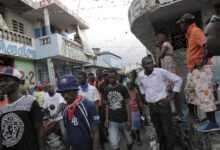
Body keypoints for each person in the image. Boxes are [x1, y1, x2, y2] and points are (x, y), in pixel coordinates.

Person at [177, 13, 220, 132]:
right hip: (193, 70)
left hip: (201, 69)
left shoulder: (195, 31)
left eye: (181, 23)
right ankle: (192, 114)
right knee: (188, 91)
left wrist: (204, 59)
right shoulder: (190, 33)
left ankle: (213, 123)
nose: (180, 26)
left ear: (186, 23)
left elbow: (207, 44)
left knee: (205, 95)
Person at [138, 56, 182, 150]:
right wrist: (144, 96)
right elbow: (140, 86)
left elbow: (178, 80)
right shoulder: (141, 75)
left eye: (151, 63)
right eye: (147, 64)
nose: (151, 65)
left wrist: (171, 96)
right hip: (151, 107)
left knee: (168, 131)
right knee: (158, 131)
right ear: (143, 66)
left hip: (163, 106)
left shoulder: (160, 72)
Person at [0, 67, 44, 150]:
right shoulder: (2, 109)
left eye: (6, 80)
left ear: (18, 82)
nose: (2, 84)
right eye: (1, 81)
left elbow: (39, 130)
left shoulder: (30, 102)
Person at [56, 75, 100, 150]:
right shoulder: (65, 109)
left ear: (76, 90)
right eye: (62, 93)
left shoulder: (89, 106)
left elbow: (96, 133)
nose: (65, 96)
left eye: (68, 91)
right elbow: (69, 133)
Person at [156, 32, 187, 121]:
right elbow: (158, 62)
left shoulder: (165, 44)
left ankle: (180, 112)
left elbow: (160, 56)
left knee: (175, 91)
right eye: (157, 37)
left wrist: (158, 48)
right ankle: (177, 111)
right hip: (166, 70)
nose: (158, 38)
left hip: (170, 69)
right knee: (170, 90)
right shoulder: (162, 46)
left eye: (159, 36)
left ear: (164, 36)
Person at [104, 69, 133, 150]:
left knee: (129, 140)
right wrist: (106, 118)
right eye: (110, 77)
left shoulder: (123, 88)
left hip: (124, 119)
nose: (112, 79)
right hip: (112, 120)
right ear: (108, 78)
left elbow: (127, 104)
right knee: (114, 144)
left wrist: (129, 120)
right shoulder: (106, 89)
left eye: (114, 77)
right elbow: (107, 105)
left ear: (117, 77)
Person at [126, 79, 143, 146]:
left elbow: (140, 101)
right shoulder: (126, 91)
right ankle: (133, 138)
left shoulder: (136, 90)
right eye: (127, 85)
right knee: (130, 126)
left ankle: (138, 139)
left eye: (130, 85)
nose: (128, 86)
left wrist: (142, 110)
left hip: (135, 110)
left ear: (132, 85)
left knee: (137, 125)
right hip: (129, 110)